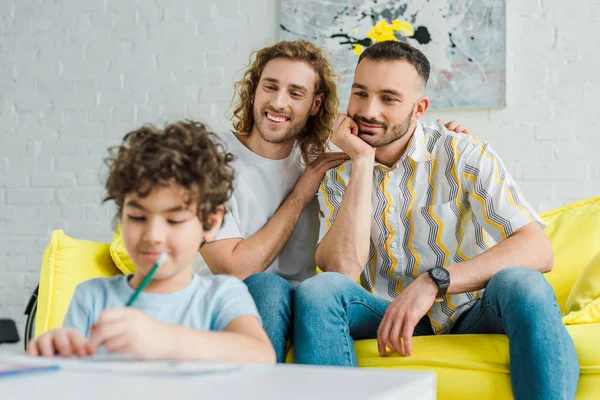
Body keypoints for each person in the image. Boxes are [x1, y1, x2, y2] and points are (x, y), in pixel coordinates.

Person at [293, 40, 579, 400]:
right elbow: (342, 272)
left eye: (389, 98)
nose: (368, 110)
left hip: (470, 310)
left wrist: (434, 282)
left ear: (419, 108)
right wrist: (362, 162)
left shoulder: (462, 152)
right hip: (383, 312)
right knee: (318, 291)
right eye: (360, 93)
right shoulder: (338, 170)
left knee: (523, 284)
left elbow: (537, 250)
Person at [200, 40, 470, 363]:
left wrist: (446, 137)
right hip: (242, 301)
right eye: (269, 86)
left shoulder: (326, 162)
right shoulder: (207, 160)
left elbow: (341, 271)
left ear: (315, 105)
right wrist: (301, 194)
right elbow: (235, 271)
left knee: (313, 294)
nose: (278, 102)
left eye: (296, 93)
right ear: (253, 90)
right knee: (267, 288)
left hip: (308, 305)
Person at [27, 121, 276, 364]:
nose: (153, 235)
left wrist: (166, 339)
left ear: (210, 223)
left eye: (175, 219)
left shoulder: (222, 295)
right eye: (137, 217)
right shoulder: (92, 297)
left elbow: (260, 355)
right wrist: (59, 349)